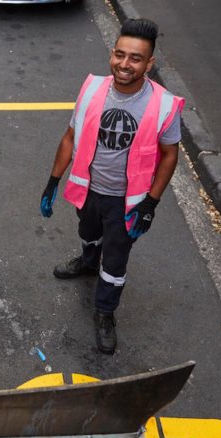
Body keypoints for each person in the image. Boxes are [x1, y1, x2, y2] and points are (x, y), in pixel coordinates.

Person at [39, 20, 184, 354]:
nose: (124, 64)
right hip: (88, 190)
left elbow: (169, 155)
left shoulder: (163, 105)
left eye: (135, 58)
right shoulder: (91, 88)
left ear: (149, 64)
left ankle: (105, 312)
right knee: (88, 230)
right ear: (112, 54)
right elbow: (71, 136)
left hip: (127, 202)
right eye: (120, 54)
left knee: (116, 260)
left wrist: (150, 204)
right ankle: (89, 261)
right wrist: (53, 182)